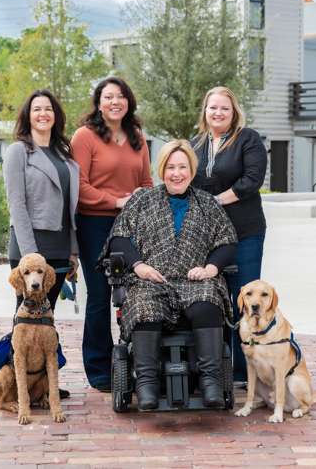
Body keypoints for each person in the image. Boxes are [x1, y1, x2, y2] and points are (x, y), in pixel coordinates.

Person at [103, 139, 237, 410]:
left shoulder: (207, 203)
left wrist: (211, 268)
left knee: (208, 301)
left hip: (194, 280)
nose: (177, 173)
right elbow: (119, 237)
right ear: (162, 170)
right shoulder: (142, 200)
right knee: (143, 306)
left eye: (183, 167)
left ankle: (211, 381)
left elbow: (227, 242)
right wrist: (138, 265)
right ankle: (147, 384)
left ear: (192, 170)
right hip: (152, 280)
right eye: (171, 167)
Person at [71, 76, 153, 393]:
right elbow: (80, 186)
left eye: (120, 96)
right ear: (99, 103)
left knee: (135, 292)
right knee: (100, 295)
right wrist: (117, 201)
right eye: (108, 97)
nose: (115, 102)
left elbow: (146, 182)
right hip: (95, 224)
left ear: (128, 101)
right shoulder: (85, 136)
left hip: (131, 225)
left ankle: (136, 361)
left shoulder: (137, 137)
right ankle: (99, 368)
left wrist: (142, 203)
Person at [3, 89, 80, 398]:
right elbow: (17, 203)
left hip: (60, 245)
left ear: (55, 115)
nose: (43, 113)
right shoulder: (19, 151)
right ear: (28, 115)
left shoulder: (64, 153)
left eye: (48, 108)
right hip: (29, 245)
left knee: (47, 319)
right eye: (36, 109)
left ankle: (45, 386)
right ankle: (16, 389)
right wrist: (30, 254)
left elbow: (70, 207)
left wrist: (73, 250)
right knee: (23, 321)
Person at [191, 86, 268, 384]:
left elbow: (252, 180)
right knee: (213, 300)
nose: (218, 112)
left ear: (234, 111)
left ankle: (243, 372)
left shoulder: (247, 138)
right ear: (205, 111)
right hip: (208, 237)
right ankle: (216, 368)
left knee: (245, 300)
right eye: (213, 107)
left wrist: (216, 201)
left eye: (224, 108)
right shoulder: (195, 143)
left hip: (245, 232)